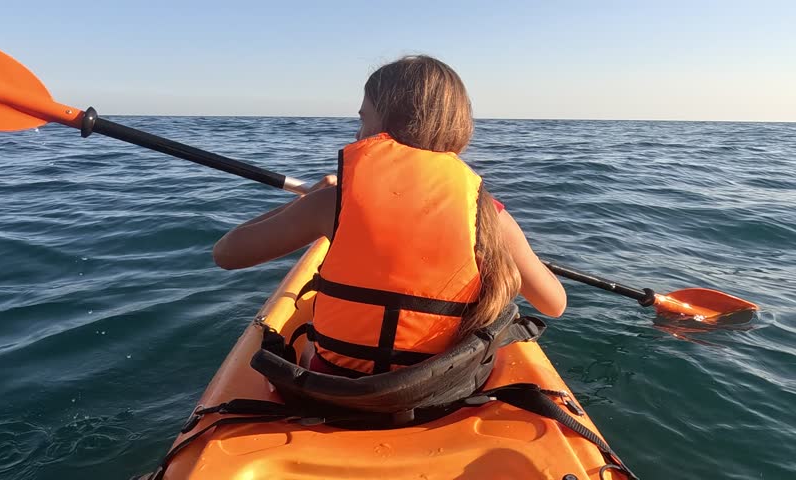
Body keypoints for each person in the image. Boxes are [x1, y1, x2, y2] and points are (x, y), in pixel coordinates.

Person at [213, 55, 565, 377]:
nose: (357, 132)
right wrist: (521, 254)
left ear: (389, 122)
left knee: (303, 344)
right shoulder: (489, 214)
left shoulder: (330, 204)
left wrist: (313, 200)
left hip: (336, 387)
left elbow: (227, 253)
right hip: (436, 390)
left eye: (364, 118)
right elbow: (554, 304)